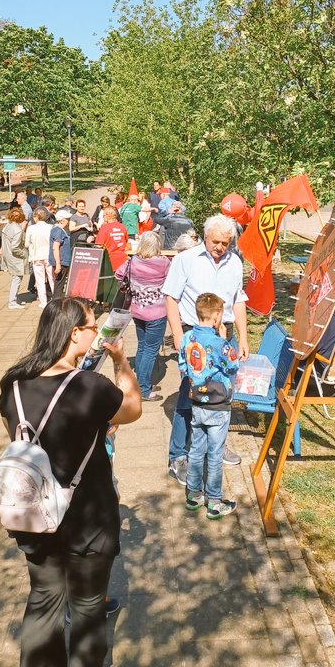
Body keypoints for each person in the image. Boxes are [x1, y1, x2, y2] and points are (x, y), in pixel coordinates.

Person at [0, 296, 142, 667]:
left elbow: (19, 435)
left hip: (34, 514)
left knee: (43, 600)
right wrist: (121, 362)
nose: (97, 330)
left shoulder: (14, 384)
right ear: (73, 334)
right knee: (86, 606)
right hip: (88, 518)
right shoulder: (88, 387)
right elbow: (132, 408)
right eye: (91, 324)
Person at [162, 214, 249, 485]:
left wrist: (243, 338)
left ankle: (217, 445)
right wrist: (178, 336)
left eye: (226, 242)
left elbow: (238, 300)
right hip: (195, 337)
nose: (221, 247)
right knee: (190, 396)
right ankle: (178, 456)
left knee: (222, 395)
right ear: (205, 235)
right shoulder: (185, 260)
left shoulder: (234, 262)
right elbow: (171, 298)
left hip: (225, 337)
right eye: (216, 241)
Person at [180, 292, 240, 519]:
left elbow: (183, 365)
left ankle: (194, 494)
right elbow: (233, 365)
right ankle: (214, 501)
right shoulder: (218, 342)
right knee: (215, 455)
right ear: (216, 317)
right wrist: (224, 340)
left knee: (196, 451)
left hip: (197, 401)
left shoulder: (187, 338)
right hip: (219, 405)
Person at [114, 230, 172, 401]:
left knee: (142, 346)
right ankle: (144, 389)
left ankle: (141, 381)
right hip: (157, 312)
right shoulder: (164, 263)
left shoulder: (132, 261)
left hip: (137, 310)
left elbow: (118, 274)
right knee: (151, 350)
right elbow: (171, 282)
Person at [26, 207, 55, 309]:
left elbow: (26, 243)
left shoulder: (31, 228)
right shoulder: (51, 227)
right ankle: (55, 299)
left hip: (36, 256)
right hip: (49, 256)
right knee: (52, 279)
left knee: (40, 280)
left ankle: (43, 302)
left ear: (35, 217)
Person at [1, 207, 28, 310]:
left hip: (7, 255)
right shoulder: (17, 230)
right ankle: (12, 302)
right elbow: (15, 247)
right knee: (17, 279)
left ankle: (14, 299)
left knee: (15, 278)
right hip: (15, 258)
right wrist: (24, 255)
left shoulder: (7, 226)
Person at [95, 207, 129, 275]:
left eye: (103, 215)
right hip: (122, 261)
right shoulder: (122, 226)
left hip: (109, 262)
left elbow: (98, 246)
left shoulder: (104, 228)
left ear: (107, 216)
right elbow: (126, 241)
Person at [50, 209, 73, 299]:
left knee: (59, 284)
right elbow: (55, 247)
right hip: (61, 261)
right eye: (68, 219)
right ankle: (56, 304)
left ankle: (57, 302)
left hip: (63, 261)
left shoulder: (59, 229)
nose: (69, 220)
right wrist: (58, 264)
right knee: (59, 285)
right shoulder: (58, 230)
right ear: (62, 220)